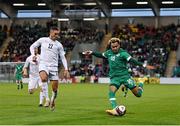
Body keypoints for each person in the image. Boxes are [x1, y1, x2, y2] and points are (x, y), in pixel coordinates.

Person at [83, 37, 155, 116]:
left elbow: (132, 61)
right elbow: (101, 55)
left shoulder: (123, 53)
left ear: (119, 45)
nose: (114, 48)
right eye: (113, 47)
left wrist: (143, 65)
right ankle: (115, 109)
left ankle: (141, 83)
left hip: (125, 77)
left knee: (138, 94)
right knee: (111, 92)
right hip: (114, 77)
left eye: (116, 46)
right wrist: (91, 52)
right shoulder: (109, 53)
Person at [30, 26, 69, 111]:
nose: (57, 35)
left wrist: (66, 69)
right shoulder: (42, 40)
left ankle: (53, 100)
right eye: (55, 34)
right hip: (43, 64)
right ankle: (47, 99)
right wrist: (33, 55)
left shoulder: (59, 45)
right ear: (50, 32)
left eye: (58, 34)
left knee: (55, 89)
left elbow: (63, 57)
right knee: (43, 78)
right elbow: (32, 46)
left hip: (54, 67)